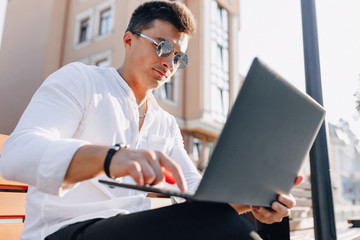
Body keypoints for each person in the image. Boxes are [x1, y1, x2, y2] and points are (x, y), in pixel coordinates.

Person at [0, 1, 302, 239]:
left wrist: (255, 200)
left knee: (266, 227)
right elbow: (17, 154)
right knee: (230, 231)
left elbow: (198, 194)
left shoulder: (164, 123)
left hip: (130, 229)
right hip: (64, 230)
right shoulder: (80, 80)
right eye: (163, 45)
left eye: (179, 57)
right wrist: (109, 158)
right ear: (129, 40)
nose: (170, 62)